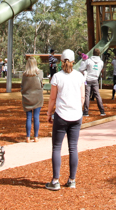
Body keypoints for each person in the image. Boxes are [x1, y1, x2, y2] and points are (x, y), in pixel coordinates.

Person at [46, 49, 85, 191]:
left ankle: (55, 180)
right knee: (73, 148)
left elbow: (52, 98)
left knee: (57, 147)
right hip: (76, 116)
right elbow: (82, 97)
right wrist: (78, 110)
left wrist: (49, 113)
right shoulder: (80, 76)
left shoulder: (57, 77)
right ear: (74, 61)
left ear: (61, 61)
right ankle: (72, 180)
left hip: (61, 115)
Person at [22, 55, 44, 143]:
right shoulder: (39, 73)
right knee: (36, 117)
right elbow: (41, 83)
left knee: (28, 117)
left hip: (27, 97)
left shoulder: (24, 74)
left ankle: (27, 137)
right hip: (37, 97)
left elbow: (22, 85)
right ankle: (36, 137)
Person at [82, 48, 106, 117]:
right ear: (99, 54)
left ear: (93, 53)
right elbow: (100, 70)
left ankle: (86, 112)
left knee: (87, 95)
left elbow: (81, 69)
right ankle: (102, 111)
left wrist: (85, 72)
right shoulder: (101, 62)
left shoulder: (88, 61)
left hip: (88, 79)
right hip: (95, 79)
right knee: (97, 95)